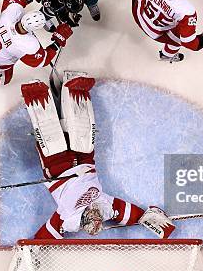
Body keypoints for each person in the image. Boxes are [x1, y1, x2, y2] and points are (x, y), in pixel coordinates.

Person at [20, 71, 175, 239]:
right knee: (84, 139)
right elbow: (125, 213)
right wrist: (146, 217)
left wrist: (33, 249)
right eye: (99, 219)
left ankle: (36, 98)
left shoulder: (68, 219)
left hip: (58, 167)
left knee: (53, 143)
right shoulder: (106, 207)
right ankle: (75, 91)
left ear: (85, 221)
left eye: (93, 219)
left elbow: (49, 233)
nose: (97, 216)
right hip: (85, 159)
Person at [121, 0, 203, 62]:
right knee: (178, 39)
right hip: (154, 31)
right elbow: (188, 42)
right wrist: (198, 43)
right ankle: (167, 55)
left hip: (138, 13)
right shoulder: (187, 11)